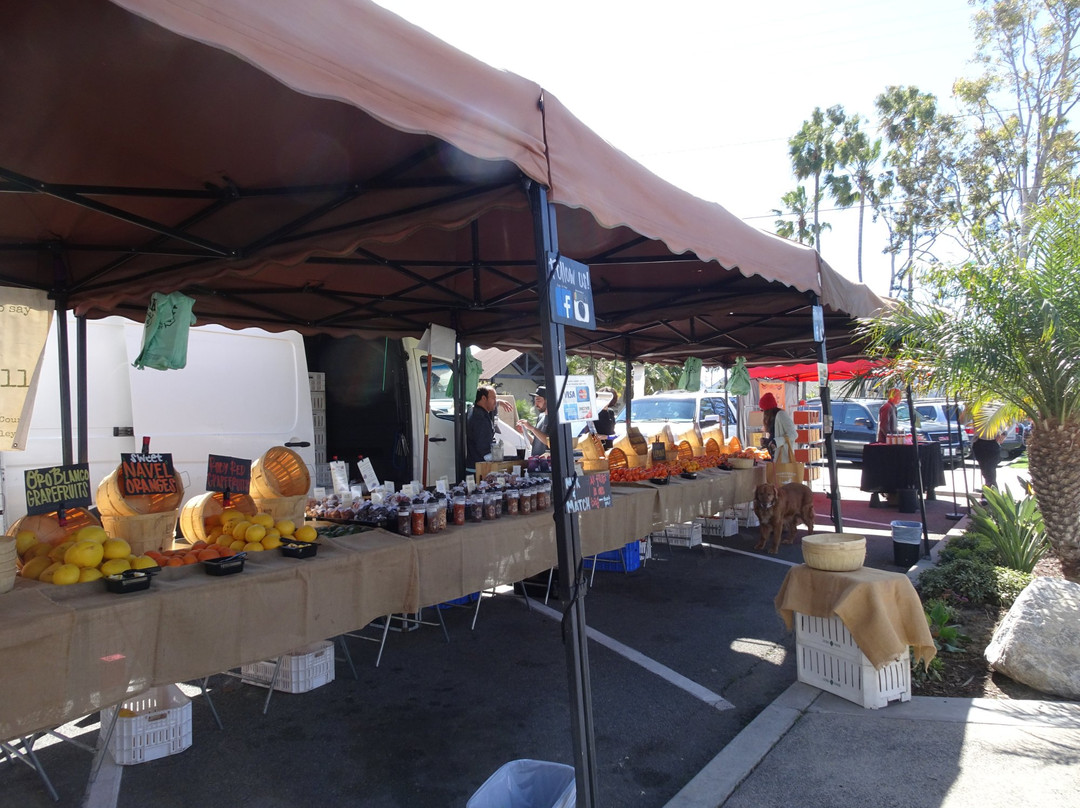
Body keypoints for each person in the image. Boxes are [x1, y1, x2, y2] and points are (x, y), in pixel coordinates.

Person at [465, 385, 512, 468]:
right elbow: (484, 449)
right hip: (479, 467)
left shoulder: (474, 411)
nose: (495, 401)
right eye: (493, 398)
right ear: (483, 398)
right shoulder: (480, 418)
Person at [759, 392, 797, 462]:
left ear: (767, 410)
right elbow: (775, 436)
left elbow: (794, 434)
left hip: (784, 459)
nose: (763, 412)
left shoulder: (781, 415)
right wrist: (766, 441)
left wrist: (776, 442)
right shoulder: (773, 418)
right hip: (776, 458)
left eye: (763, 409)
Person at [517, 386, 550, 456]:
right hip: (536, 461)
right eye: (535, 401)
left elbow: (549, 442)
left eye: (538, 400)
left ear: (547, 400)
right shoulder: (541, 416)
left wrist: (531, 428)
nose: (536, 404)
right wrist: (524, 432)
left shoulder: (554, 418)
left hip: (547, 462)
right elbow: (535, 442)